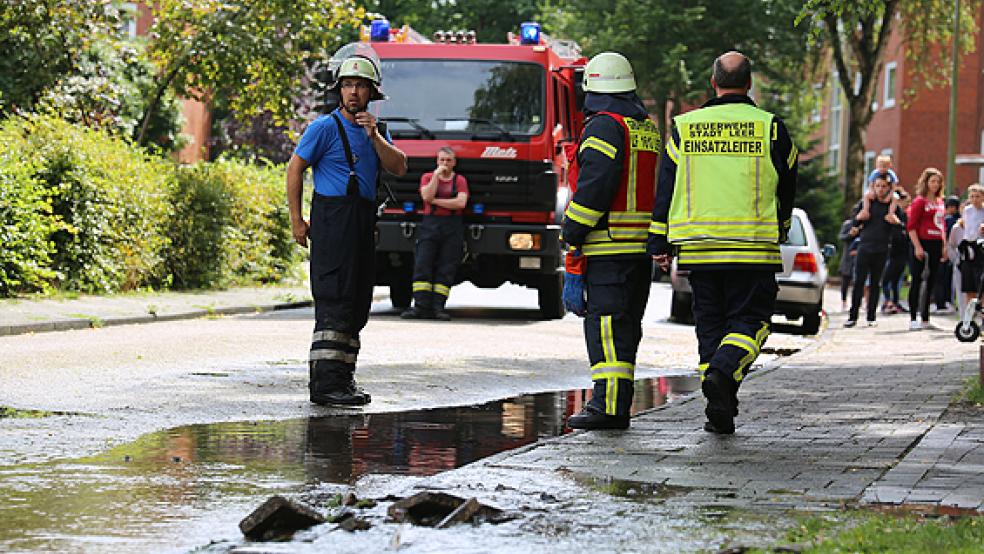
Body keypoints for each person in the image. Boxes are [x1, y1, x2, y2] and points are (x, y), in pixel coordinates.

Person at [648, 51, 796, 435]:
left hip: (699, 248)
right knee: (752, 322)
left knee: (710, 328)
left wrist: (659, 241)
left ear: (713, 83)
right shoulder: (770, 127)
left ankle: (719, 412)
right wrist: (781, 227)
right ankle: (724, 373)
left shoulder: (685, 127)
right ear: (749, 84)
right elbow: (788, 182)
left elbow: (667, 186)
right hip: (751, 246)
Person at [286, 53, 408, 405]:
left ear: (372, 93)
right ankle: (325, 386)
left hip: (362, 225)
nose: (353, 92)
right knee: (335, 301)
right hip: (332, 224)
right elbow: (295, 169)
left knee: (357, 303)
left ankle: (344, 380)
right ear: (339, 90)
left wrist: (374, 138)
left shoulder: (378, 131)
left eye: (360, 86)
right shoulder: (323, 128)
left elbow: (400, 166)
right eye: (347, 85)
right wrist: (297, 220)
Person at [561, 52, 660, 430]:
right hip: (638, 249)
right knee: (626, 330)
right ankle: (616, 404)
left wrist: (572, 228)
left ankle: (608, 408)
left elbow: (596, 184)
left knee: (606, 328)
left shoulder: (604, 126)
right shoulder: (645, 127)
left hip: (608, 247)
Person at [401, 147, 470, 321]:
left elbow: (460, 203)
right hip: (430, 225)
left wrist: (436, 201)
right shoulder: (427, 178)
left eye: (448, 160)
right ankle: (420, 306)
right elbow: (426, 196)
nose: (445, 164)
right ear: (437, 161)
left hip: (452, 227)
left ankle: (438, 307)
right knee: (422, 264)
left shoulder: (460, 180)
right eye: (441, 160)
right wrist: (435, 177)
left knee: (446, 267)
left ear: (454, 163)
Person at [844, 175, 904, 327]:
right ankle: (853, 316)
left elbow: (902, 231)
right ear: (873, 186)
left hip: (882, 249)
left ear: (889, 188)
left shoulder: (893, 206)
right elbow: (853, 224)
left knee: (875, 283)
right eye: (878, 186)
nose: (880, 189)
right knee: (858, 282)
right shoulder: (866, 203)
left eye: (884, 186)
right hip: (864, 247)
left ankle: (871, 317)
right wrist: (859, 218)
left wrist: (897, 223)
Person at [906, 167, 947, 330]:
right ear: (926, 182)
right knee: (917, 280)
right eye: (932, 181)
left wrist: (944, 245)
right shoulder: (919, 201)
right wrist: (917, 247)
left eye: (938, 182)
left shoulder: (940, 202)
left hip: (936, 242)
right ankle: (913, 318)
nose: (935, 185)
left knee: (932, 281)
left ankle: (925, 317)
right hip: (921, 241)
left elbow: (942, 226)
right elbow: (911, 226)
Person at [880, 186, 911, 314]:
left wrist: (900, 224)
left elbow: (906, 231)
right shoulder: (888, 213)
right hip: (890, 252)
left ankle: (895, 302)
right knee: (886, 280)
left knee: (895, 280)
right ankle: (888, 302)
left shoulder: (902, 215)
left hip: (901, 252)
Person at [957, 184, 984, 309]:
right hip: (968, 247)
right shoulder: (967, 210)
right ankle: (969, 317)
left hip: (981, 247)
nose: (974, 199)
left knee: (981, 283)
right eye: (972, 196)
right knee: (969, 285)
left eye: (977, 196)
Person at [934, 195, 961, 312]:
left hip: (948, 251)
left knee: (944, 278)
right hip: (948, 251)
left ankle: (943, 302)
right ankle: (944, 301)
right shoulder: (955, 220)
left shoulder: (949, 220)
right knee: (944, 278)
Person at [838, 218, 860, 312]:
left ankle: (858, 302)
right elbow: (841, 237)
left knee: (859, 281)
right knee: (845, 281)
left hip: (860, 256)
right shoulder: (848, 224)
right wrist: (850, 234)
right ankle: (844, 301)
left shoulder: (866, 224)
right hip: (848, 257)